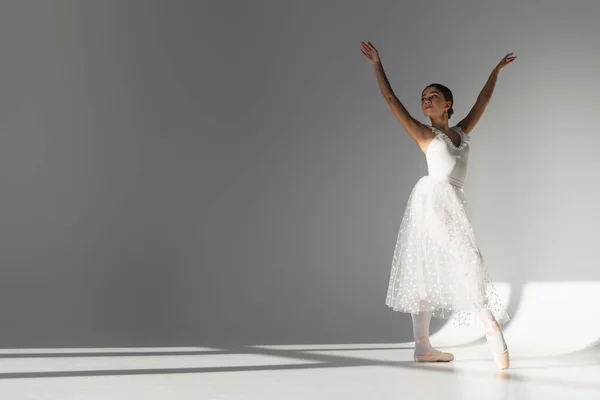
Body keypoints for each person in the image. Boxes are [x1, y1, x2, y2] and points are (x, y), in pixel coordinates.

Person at [360, 41, 516, 370]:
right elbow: (392, 100)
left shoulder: (461, 132)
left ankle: (421, 346)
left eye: (433, 96)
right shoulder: (424, 135)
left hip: (453, 204)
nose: (426, 101)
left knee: (425, 270)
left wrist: (495, 71)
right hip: (433, 202)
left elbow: (483, 101)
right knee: (468, 259)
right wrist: (377, 65)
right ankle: (490, 326)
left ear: (448, 104)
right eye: (423, 98)